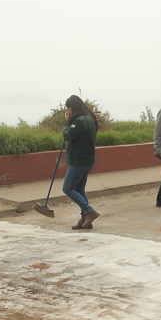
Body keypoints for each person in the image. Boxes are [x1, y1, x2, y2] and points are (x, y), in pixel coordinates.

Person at [62, 95, 100, 230]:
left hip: (79, 160)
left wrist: (66, 122)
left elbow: (67, 135)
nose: (68, 111)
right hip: (88, 160)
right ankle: (85, 219)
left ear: (74, 107)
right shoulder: (89, 118)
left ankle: (88, 211)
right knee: (79, 189)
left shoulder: (79, 121)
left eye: (69, 108)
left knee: (67, 188)